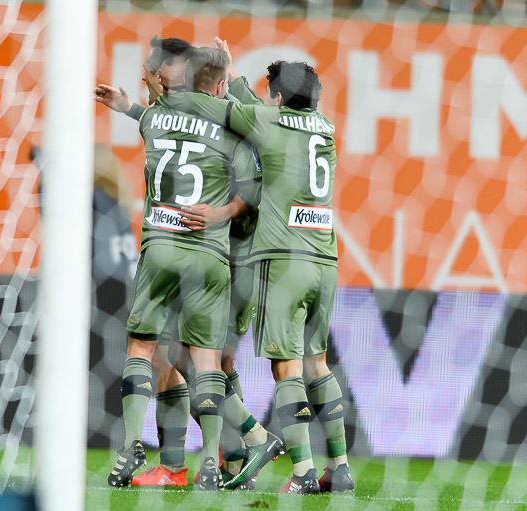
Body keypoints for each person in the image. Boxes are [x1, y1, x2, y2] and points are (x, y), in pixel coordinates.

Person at [163, 59, 355, 494]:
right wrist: (235, 76)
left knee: (287, 368)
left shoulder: (268, 121)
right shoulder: (324, 127)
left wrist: (196, 84)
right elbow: (261, 111)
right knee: (318, 364)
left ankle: (303, 472)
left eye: (272, 94)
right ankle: (340, 467)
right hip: (325, 259)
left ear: (280, 97)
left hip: (284, 260)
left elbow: (222, 108)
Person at [107, 47, 280, 491]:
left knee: (175, 353)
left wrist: (137, 103)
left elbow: (258, 179)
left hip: (217, 254)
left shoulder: (170, 115)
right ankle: (208, 459)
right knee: (191, 356)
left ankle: (238, 447)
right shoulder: (230, 121)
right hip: (214, 256)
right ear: (218, 84)